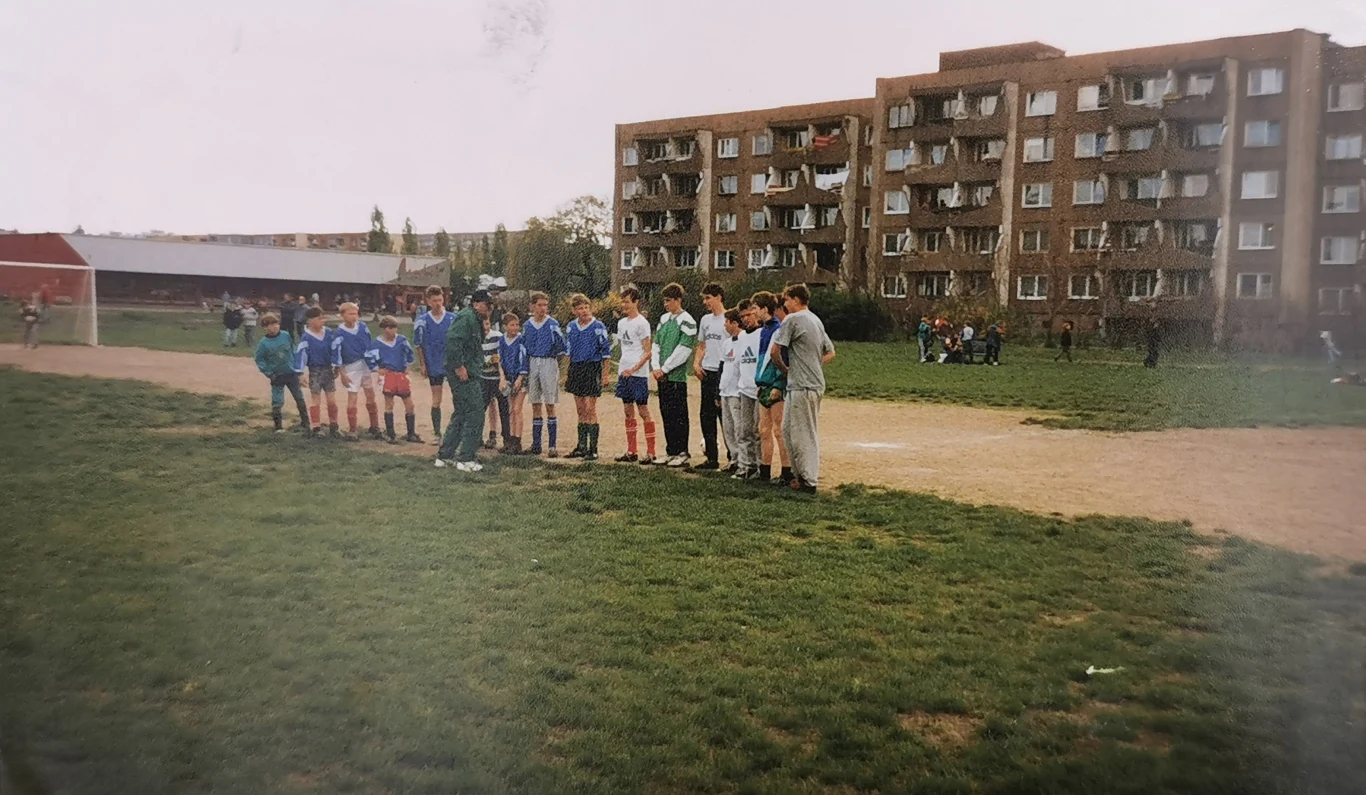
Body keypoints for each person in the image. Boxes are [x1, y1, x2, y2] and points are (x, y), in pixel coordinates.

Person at [770, 284, 836, 494]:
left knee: (803, 433)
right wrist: (812, 365)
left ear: (796, 300)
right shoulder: (816, 320)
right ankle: (798, 476)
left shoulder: (793, 319)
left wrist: (785, 369)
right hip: (801, 384)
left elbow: (775, 351)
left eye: (787, 300)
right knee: (788, 430)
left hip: (804, 385)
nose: (785, 304)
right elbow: (830, 352)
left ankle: (809, 480)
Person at [435, 290, 493, 472]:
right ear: (476, 304)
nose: (489, 308)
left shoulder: (474, 318)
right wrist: (459, 366)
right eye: (486, 304)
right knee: (475, 413)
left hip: (467, 371)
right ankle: (466, 458)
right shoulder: (467, 317)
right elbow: (453, 340)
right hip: (464, 373)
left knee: (461, 412)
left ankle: (445, 455)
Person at [651, 282, 698, 468]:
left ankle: (682, 452)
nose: (666, 304)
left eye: (669, 300)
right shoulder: (664, 319)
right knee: (666, 413)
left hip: (676, 377)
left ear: (678, 300)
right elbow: (656, 345)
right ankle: (671, 450)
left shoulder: (688, 321)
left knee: (679, 414)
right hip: (662, 376)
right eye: (664, 301)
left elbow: (684, 349)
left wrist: (665, 368)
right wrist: (656, 367)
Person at [564, 293, 613, 461]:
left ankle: (593, 449)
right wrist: (567, 372)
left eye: (586, 307)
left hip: (592, 367)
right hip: (576, 368)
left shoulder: (598, 326)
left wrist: (605, 374)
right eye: (580, 308)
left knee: (590, 408)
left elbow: (606, 352)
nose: (584, 311)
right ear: (574, 310)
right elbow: (569, 350)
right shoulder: (571, 326)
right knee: (580, 409)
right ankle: (581, 446)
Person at [614, 287, 658, 465]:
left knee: (643, 410)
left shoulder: (642, 323)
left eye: (627, 302)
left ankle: (651, 452)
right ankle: (631, 451)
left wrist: (633, 369)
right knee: (627, 410)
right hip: (623, 372)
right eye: (622, 301)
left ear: (636, 302)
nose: (624, 305)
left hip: (638, 374)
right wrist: (624, 368)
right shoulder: (621, 323)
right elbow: (624, 348)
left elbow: (648, 352)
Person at [522, 291, 568, 457]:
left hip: (548, 361)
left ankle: (552, 445)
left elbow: (562, 348)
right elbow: (524, 347)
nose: (542, 308)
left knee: (550, 404)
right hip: (533, 362)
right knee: (535, 403)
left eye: (545, 305)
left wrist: (560, 369)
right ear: (532, 306)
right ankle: (536, 445)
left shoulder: (552, 324)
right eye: (539, 305)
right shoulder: (527, 325)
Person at [752, 291, 790, 485]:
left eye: (756, 308)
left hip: (775, 385)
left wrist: (778, 384)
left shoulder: (778, 329)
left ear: (765, 309)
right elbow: (761, 360)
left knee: (779, 430)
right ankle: (765, 471)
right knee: (764, 429)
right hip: (764, 384)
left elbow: (781, 359)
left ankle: (786, 472)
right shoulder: (764, 330)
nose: (753, 312)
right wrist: (759, 381)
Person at [253, 313, 311, 434]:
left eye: (275, 324)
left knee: (299, 397)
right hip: (277, 376)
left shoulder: (285, 335)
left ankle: (305, 422)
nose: (273, 327)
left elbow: (293, 349)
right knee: (277, 400)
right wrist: (269, 373)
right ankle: (278, 426)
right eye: (269, 325)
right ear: (264, 328)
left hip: (291, 373)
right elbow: (259, 360)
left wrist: (297, 367)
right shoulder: (263, 343)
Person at [333, 302, 381, 439]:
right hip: (351, 366)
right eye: (350, 314)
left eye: (356, 314)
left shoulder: (363, 327)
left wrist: (375, 363)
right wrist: (342, 373)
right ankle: (352, 430)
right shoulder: (339, 333)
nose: (354, 317)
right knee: (352, 396)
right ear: (342, 315)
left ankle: (375, 427)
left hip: (365, 364)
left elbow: (369, 345)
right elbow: (337, 354)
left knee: (370, 394)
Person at [372, 316, 422, 444]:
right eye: (387, 328)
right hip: (388, 375)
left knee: (409, 404)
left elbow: (410, 353)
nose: (391, 330)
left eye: (393, 327)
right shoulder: (377, 343)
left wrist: (408, 365)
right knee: (389, 403)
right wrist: (377, 369)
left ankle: (411, 433)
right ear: (383, 329)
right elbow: (370, 357)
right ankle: (391, 434)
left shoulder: (401, 340)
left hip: (400, 374)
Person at [412, 285, 455, 440]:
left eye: (440, 300)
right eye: (434, 300)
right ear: (428, 301)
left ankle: (455, 431)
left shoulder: (452, 318)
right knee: (437, 398)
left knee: (457, 397)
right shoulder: (422, 321)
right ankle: (437, 433)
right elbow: (419, 344)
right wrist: (423, 364)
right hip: (433, 362)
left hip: (451, 362)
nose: (438, 303)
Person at [694, 282, 728, 471]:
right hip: (707, 371)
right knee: (706, 416)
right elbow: (702, 345)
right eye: (704, 298)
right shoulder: (705, 320)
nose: (705, 302)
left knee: (724, 415)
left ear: (718, 297)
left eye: (708, 298)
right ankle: (712, 458)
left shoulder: (728, 318)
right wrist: (696, 363)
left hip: (722, 372)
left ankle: (733, 457)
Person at [296, 306, 340, 437]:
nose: (323, 321)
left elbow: (335, 349)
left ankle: (334, 425)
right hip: (315, 371)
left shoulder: (328, 333)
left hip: (328, 369)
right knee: (316, 399)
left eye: (323, 318)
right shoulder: (306, 337)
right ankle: (316, 426)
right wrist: (300, 373)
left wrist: (336, 365)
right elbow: (301, 355)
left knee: (331, 400)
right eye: (319, 318)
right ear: (310, 321)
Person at [731, 300, 763, 481]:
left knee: (758, 430)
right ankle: (745, 465)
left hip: (757, 388)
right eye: (742, 316)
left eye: (748, 315)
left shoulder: (761, 334)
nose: (745, 319)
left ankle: (760, 465)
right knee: (744, 430)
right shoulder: (742, 336)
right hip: (744, 388)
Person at [718, 308, 747, 477]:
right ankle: (734, 459)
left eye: (727, 322)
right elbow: (722, 366)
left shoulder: (744, 340)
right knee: (728, 428)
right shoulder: (727, 343)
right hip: (725, 390)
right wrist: (718, 391)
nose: (725, 325)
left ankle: (744, 462)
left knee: (739, 428)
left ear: (735, 323)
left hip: (737, 391)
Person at [498, 313, 529, 454]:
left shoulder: (521, 340)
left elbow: (524, 359)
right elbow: (500, 360)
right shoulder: (502, 340)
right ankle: (510, 440)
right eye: (512, 325)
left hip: (519, 377)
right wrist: (502, 378)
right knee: (510, 410)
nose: (515, 328)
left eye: (517, 325)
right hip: (508, 377)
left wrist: (520, 378)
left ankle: (517, 441)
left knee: (517, 409)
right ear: (505, 327)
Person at [481, 316, 511, 451]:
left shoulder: (498, 337)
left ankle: (507, 439)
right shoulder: (476, 338)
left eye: (487, 324)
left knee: (504, 408)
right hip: (484, 378)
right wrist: (488, 361)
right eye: (483, 324)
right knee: (482, 408)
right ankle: (486, 435)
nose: (485, 327)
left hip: (498, 379)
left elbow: (502, 355)